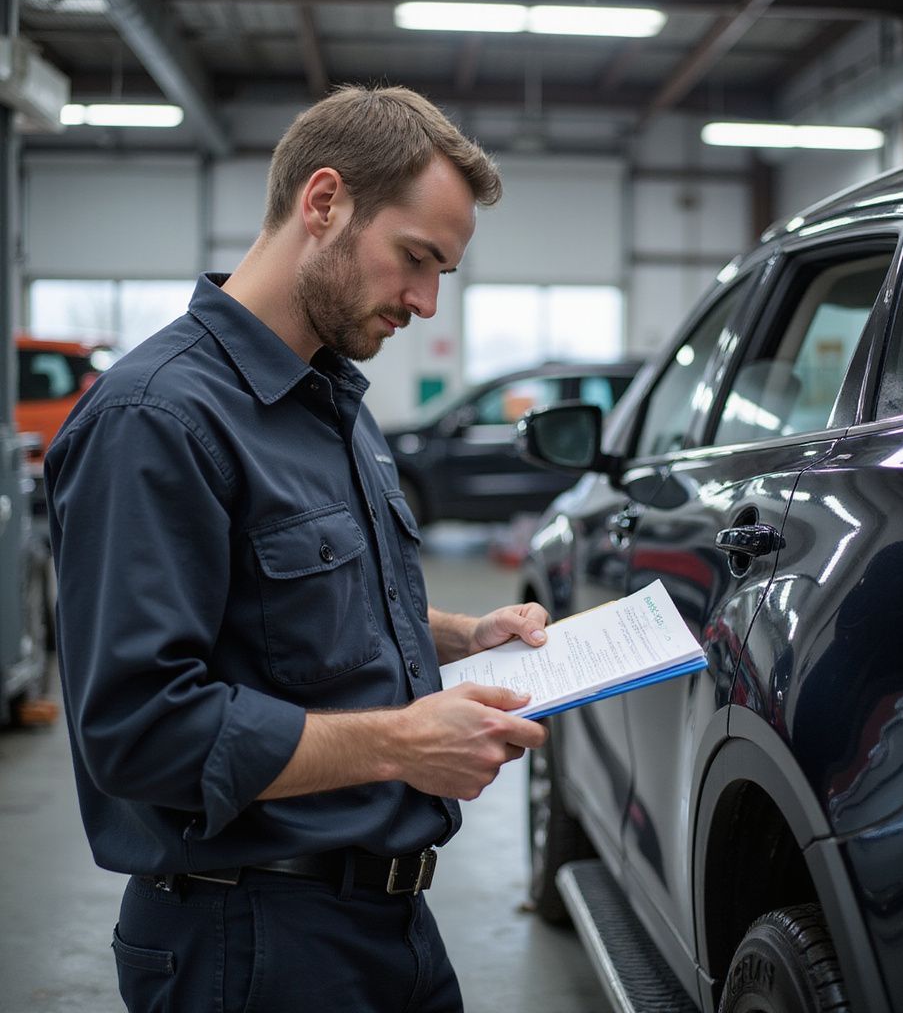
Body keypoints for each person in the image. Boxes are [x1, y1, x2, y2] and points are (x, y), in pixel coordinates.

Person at [45, 84, 550, 1013]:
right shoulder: (157, 419)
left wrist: (460, 635)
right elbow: (139, 727)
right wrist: (405, 744)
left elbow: (299, 602)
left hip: (386, 924)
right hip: (251, 943)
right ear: (324, 203)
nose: (428, 302)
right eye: (415, 258)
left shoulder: (331, 403)